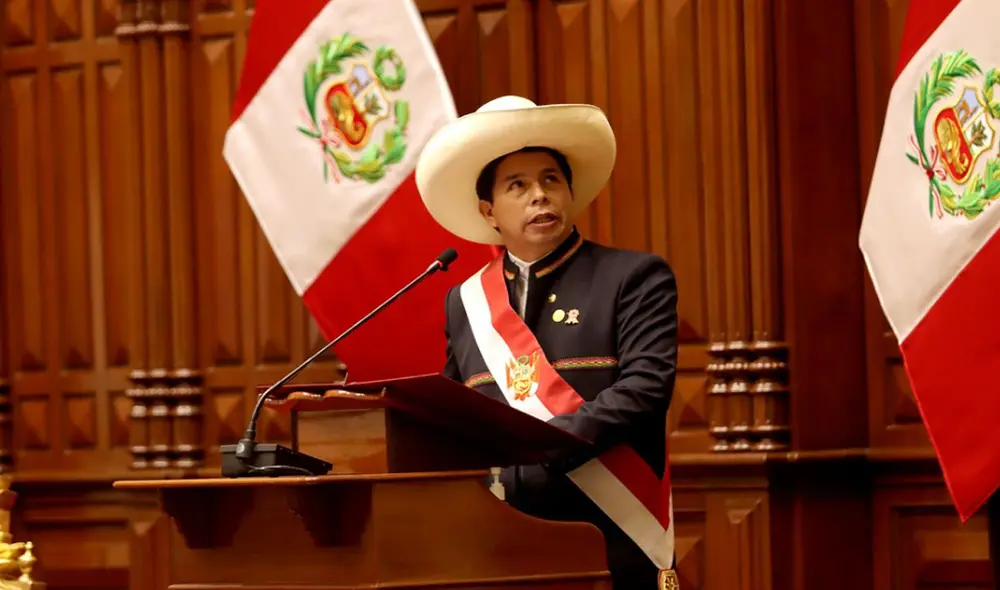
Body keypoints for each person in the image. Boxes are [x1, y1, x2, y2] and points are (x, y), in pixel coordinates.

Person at [415, 95, 680, 590]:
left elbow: (646, 388)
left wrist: (545, 444)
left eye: (551, 180)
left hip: (609, 532)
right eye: (518, 185)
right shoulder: (465, 302)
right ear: (488, 210)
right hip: (500, 537)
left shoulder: (633, 277)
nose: (540, 194)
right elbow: (455, 416)